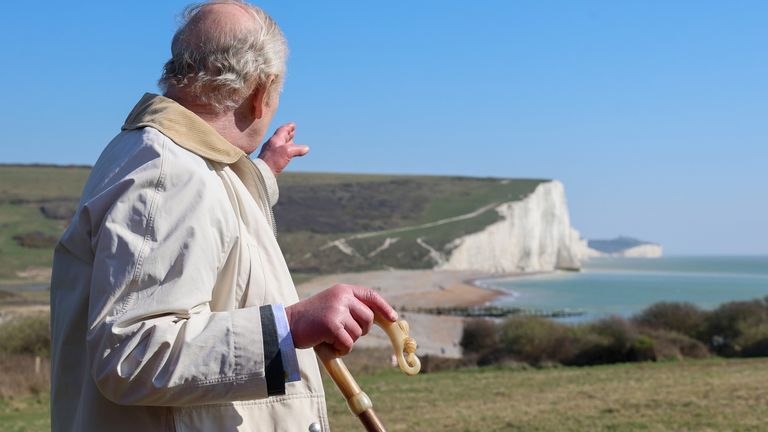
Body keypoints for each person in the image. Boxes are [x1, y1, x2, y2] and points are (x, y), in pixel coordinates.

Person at [49, 1, 398, 431]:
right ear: (261, 92)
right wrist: (288, 328)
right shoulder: (170, 173)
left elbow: (208, 231)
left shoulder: (168, 159)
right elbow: (131, 355)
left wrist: (261, 174)